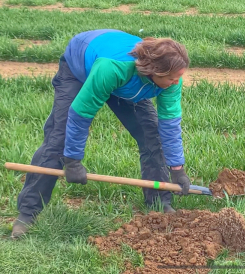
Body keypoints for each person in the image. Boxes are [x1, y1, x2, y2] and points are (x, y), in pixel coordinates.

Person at [12, 29, 191, 238]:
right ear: (155, 71)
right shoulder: (113, 68)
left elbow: (169, 126)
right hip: (81, 68)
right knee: (58, 139)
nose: (177, 83)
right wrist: (73, 160)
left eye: (178, 77)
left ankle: (160, 203)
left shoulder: (171, 78)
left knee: (153, 136)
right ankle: (27, 213)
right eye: (172, 78)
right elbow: (80, 114)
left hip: (127, 81)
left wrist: (177, 169)